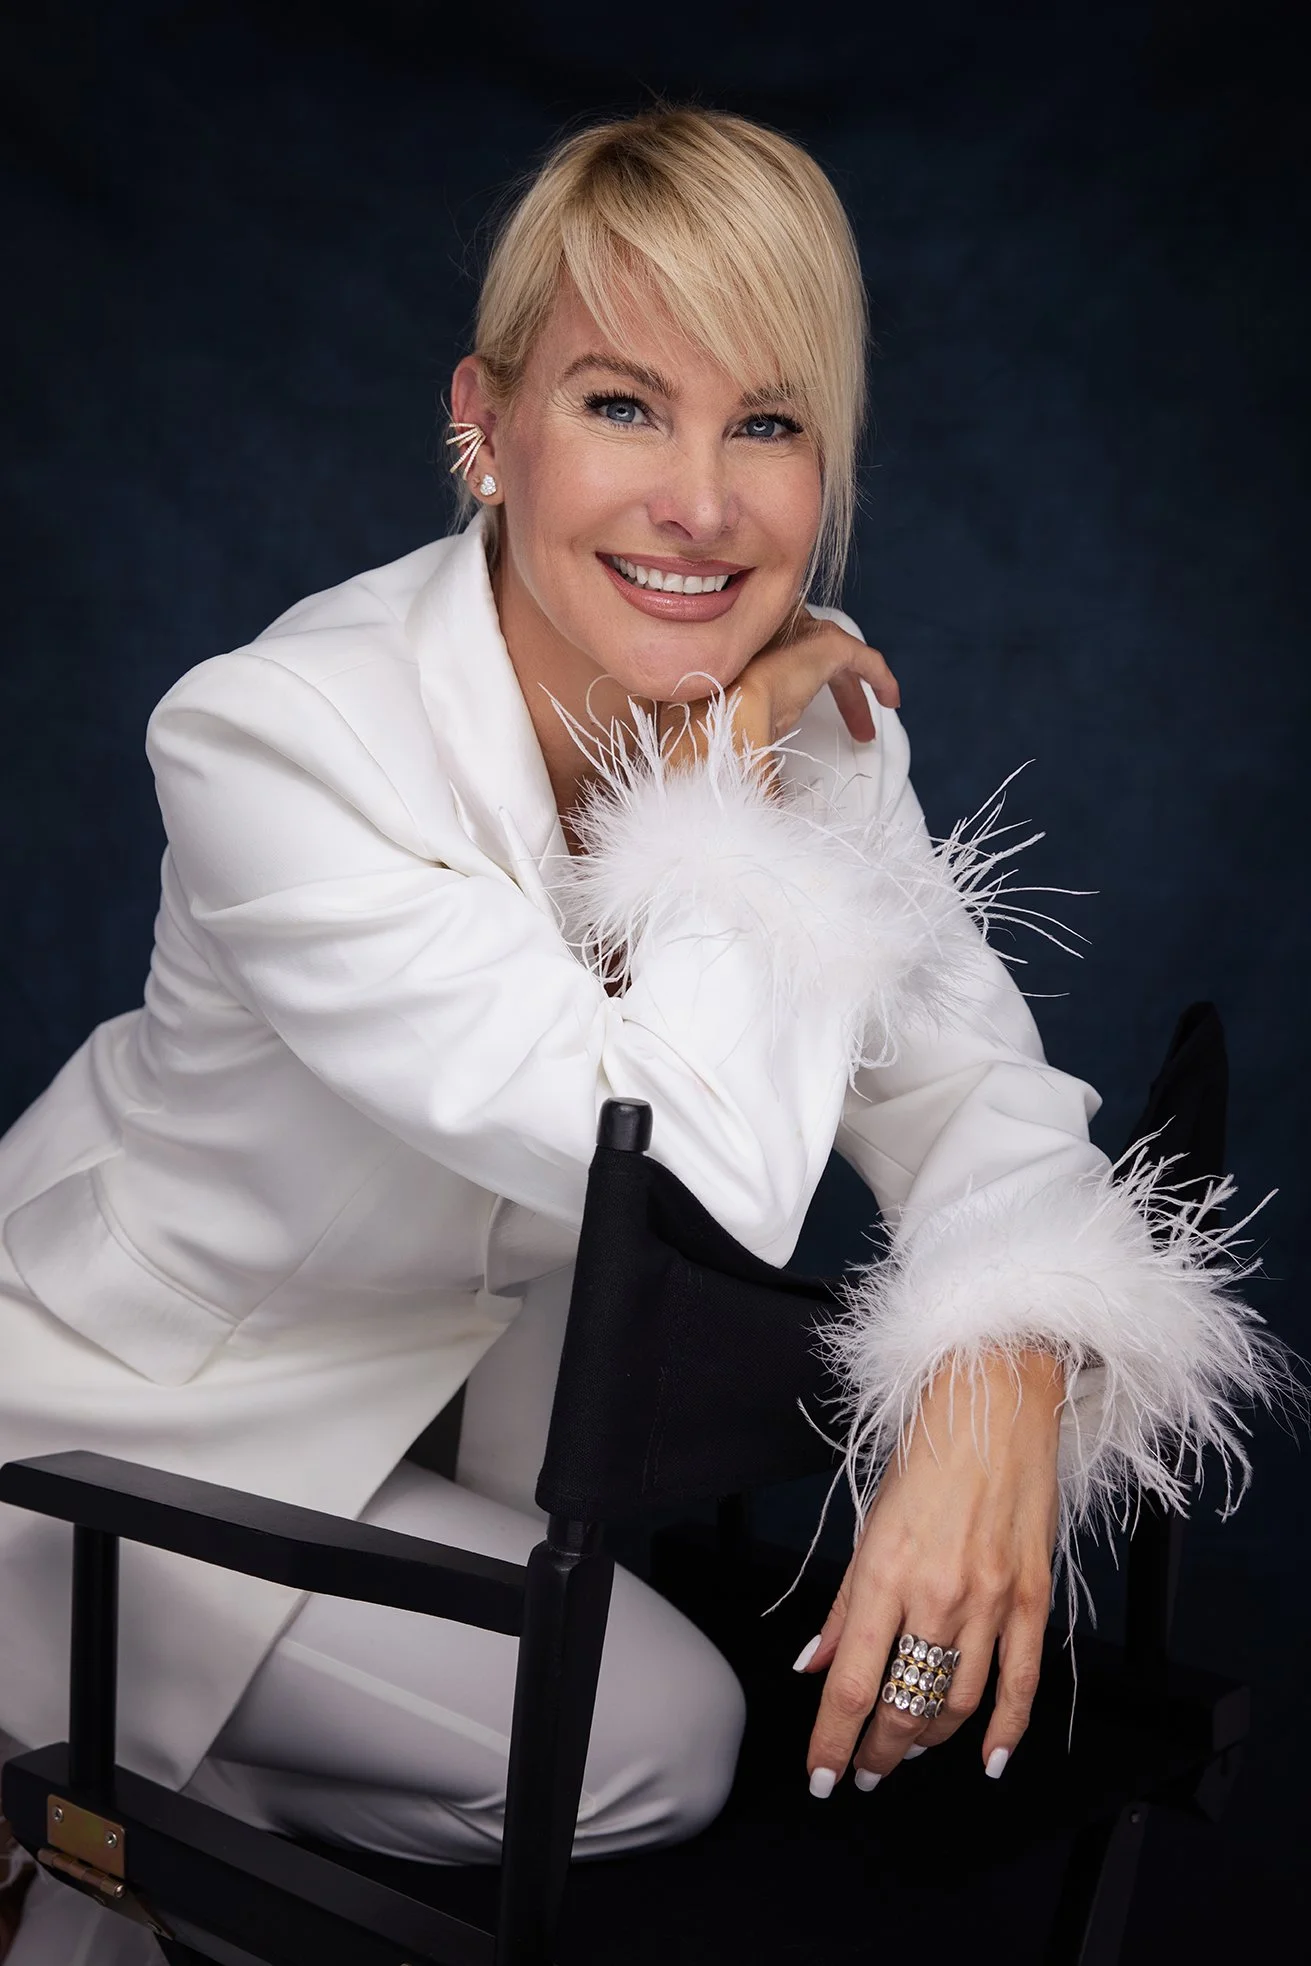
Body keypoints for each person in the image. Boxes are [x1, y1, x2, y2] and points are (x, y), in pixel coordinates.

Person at [0, 105, 1284, 1964]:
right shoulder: (273, 739)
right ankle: (57, 1796)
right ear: (486, 423)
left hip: (475, 1461)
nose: (701, 504)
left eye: (763, 421)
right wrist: (722, 783)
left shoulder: (816, 727)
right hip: (118, 1428)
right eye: (621, 404)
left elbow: (985, 1098)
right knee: (654, 1744)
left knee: (659, 1734)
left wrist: (998, 1382)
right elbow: (688, 1179)